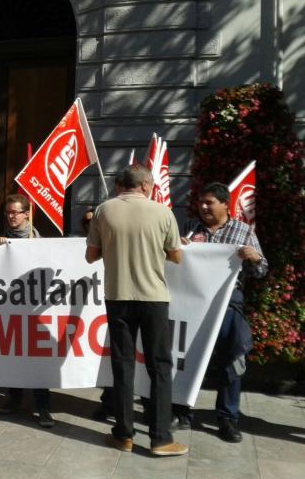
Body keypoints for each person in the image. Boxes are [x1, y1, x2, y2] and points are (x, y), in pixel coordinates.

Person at [85, 164, 188, 456]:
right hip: (153, 297)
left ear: (124, 184)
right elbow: (177, 256)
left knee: (122, 365)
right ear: (145, 185)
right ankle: (160, 438)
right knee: (160, 367)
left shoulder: (103, 211)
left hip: (117, 296)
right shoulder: (163, 212)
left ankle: (124, 434)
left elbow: (91, 255)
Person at [179, 182, 268, 442]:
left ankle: (227, 419)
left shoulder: (243, 231)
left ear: (224, 204)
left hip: (229, 303)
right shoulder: (191, 229)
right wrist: (179, 250)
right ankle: (182, 411)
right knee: (188, 358)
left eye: (209, 202)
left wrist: (254, 258)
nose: (204, 207)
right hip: (194, 302)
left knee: (233, 359)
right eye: (201, 202)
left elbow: (262, 270)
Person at [0, 194, 54, 427]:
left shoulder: (36, 238)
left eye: (15, 212)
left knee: (37, 359)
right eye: (8, 212)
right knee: (15, 355)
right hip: (9, 307)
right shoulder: (0, 239)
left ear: (26, 214)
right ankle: (15, 397)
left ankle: (43, 407)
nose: (11, 216)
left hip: (32, 309)